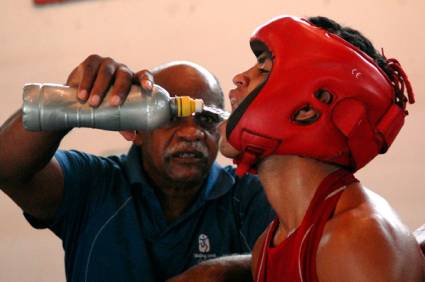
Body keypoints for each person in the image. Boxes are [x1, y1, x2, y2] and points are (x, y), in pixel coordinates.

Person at [0, 55, 274, 281]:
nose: (192, 133)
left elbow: (295, 260)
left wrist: (222, 272)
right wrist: (71, 101)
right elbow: (7, 167)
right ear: (136, 128)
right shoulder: (93, 184)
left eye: (205, 119)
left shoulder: (250, 195)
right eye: (171, 116)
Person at [219, 15, 425, 281]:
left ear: (308, 109)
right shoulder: (267, 244)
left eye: (264, 69)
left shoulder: (355, 238)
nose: (239, 78)